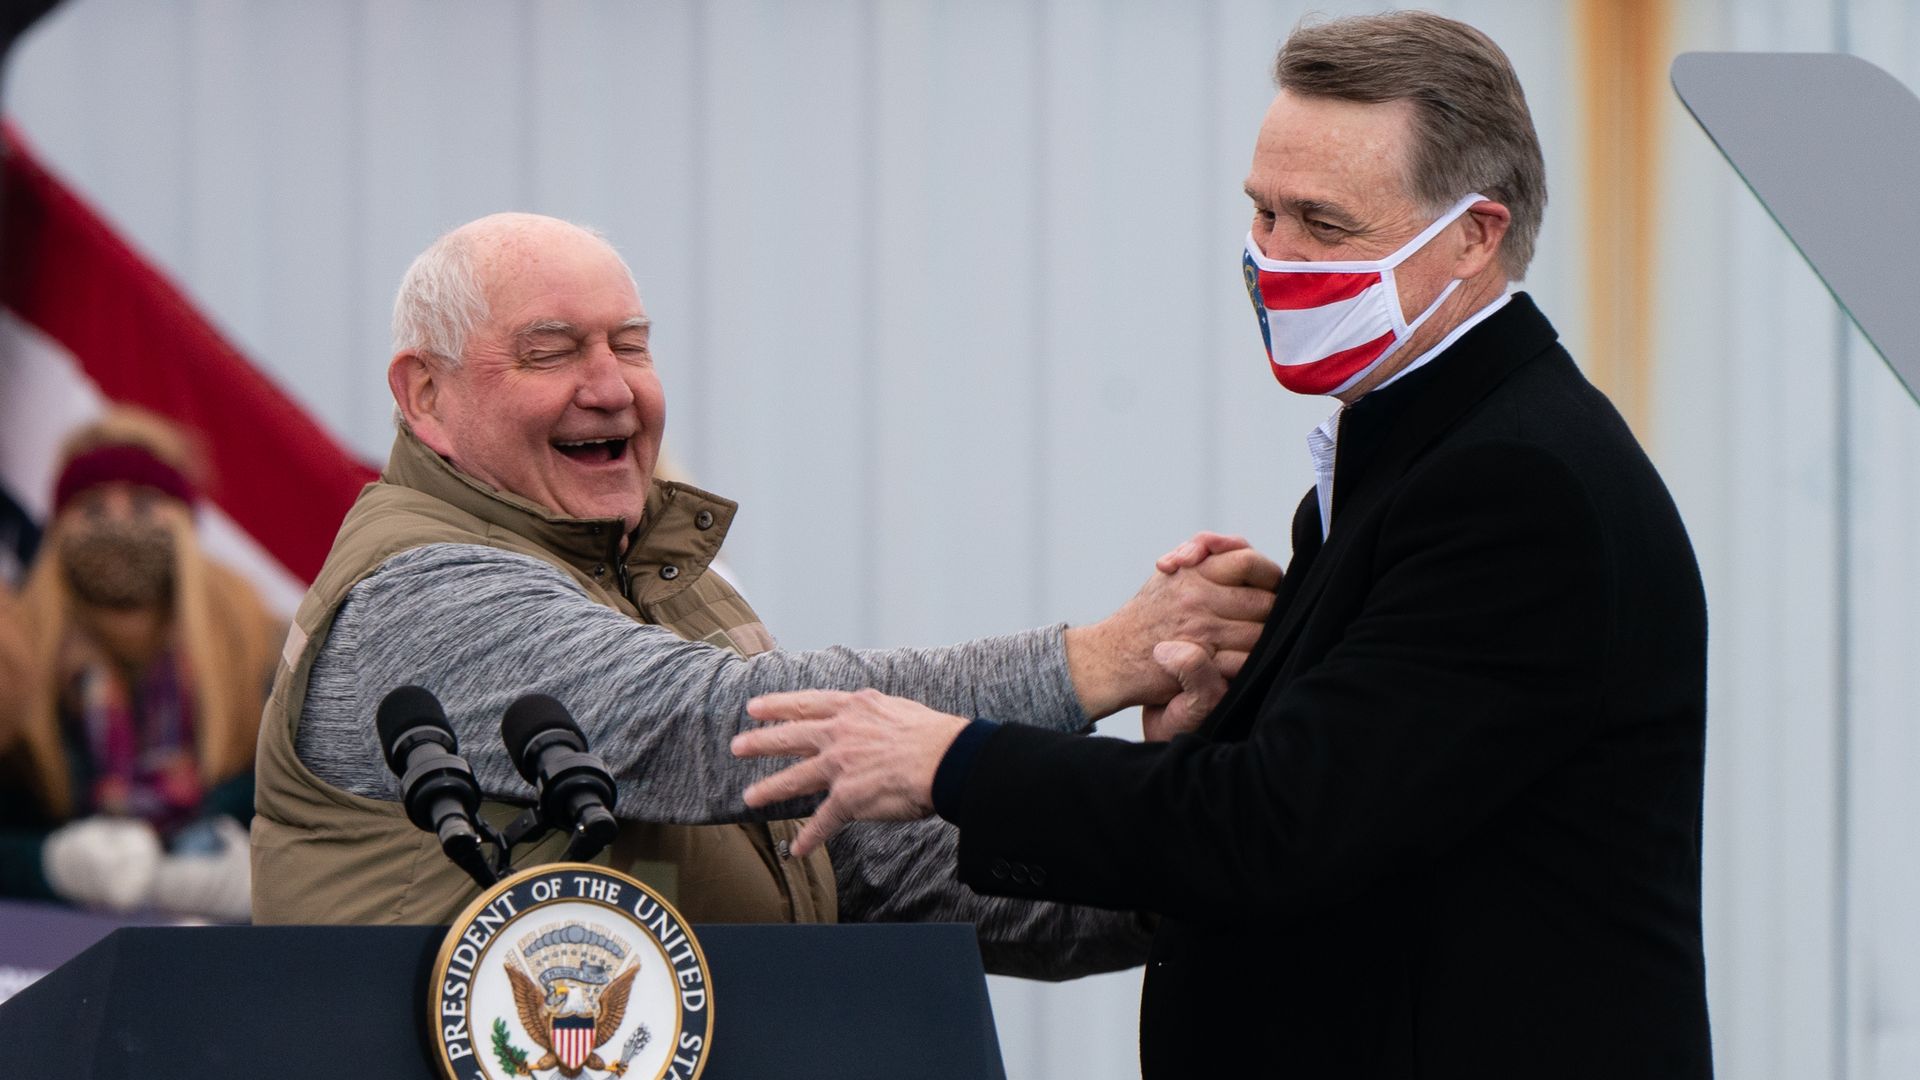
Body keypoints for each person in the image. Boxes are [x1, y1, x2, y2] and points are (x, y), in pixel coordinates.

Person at [733, 11, 1713, 1077]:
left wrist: (953, 760)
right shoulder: (1407, 451)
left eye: (1325, 226)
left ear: (1476, 235)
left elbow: (1278, 832)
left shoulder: (1515, 489)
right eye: (1262, 211)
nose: (1273, 257)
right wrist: (1200, 741)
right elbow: (1351, 808)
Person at [250, 211, 1279, 982]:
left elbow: (880, 867)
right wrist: (1099, 660)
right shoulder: (419, 592)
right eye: (551, 351)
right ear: (423, 393)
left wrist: (1172, 831)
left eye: (632, 345)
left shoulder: (670, 591)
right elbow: (717, 723)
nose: (610, 387)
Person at [0, 410, 280, 920]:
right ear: (59, 526)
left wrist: (267, 873)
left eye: (144, 503)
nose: (119, 523)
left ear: (183, 522)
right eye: (93, 507)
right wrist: (48, 865)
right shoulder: (11, 655)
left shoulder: (264, 652)